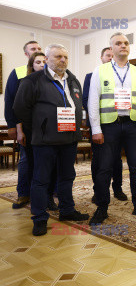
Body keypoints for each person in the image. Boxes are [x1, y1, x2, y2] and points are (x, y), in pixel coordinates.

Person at [13, 44, 90, 236]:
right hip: (45, 140)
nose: (62, 60)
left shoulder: (73, 80)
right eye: (58, 57)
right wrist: (41, 125)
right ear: (47, 59)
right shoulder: (33, 80)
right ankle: (39, 218)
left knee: (67, 176)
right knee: (41, 180)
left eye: (65, 56)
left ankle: (67, 210)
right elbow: (20, 108)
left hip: (69, 138)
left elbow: (77, 103)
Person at [88, 32, 136, 225]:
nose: (123, 46)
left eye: (126, 43)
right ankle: (102, 208)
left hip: (132, 125)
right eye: (118, 43)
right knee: (105, 168)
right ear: (111, 48)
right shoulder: (99, 71)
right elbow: (93, 101)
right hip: (109, 125)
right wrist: (95, 129)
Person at [83, 47, 126, 204]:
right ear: (101, 57)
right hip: (99, 126)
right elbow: (86, 100)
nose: (110, 57)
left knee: (117, 159)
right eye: (107, 55)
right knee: (99, 161)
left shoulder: (122, 76)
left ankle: (118, 188)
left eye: (112, 55)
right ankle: (99, 191)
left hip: (119, 125)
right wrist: (97, 123)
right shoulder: (93, 75)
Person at [4, 41, 43, 209]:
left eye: (39, 49)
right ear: (27, 54)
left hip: (45, 128)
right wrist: (13, 126)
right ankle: (23, 193)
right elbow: (10, 101)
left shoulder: (48, 73)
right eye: (33, 49)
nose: (37, 51)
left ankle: (46, 193)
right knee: (26, 160)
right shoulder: (18, 73)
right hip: (26, 127)